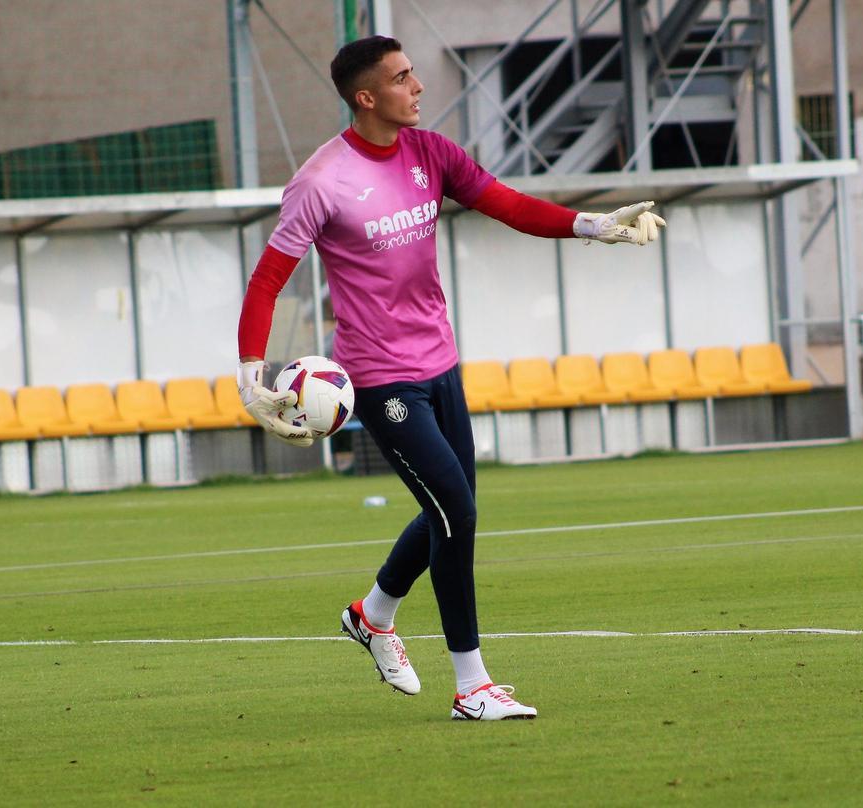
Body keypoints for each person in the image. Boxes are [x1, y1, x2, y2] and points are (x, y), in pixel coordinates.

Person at [236, 35, 665, 721]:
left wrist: (595, 226)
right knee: (455, 513)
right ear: (366, 97)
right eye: (403, 78)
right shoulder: (321, 181)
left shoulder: (430, 153)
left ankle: (371, 616)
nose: (418, 87)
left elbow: (507, 204)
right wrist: (247, 373)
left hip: (442, 364)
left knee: (451, 507)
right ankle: (472, 688)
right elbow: (268, 279)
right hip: (380, 380)